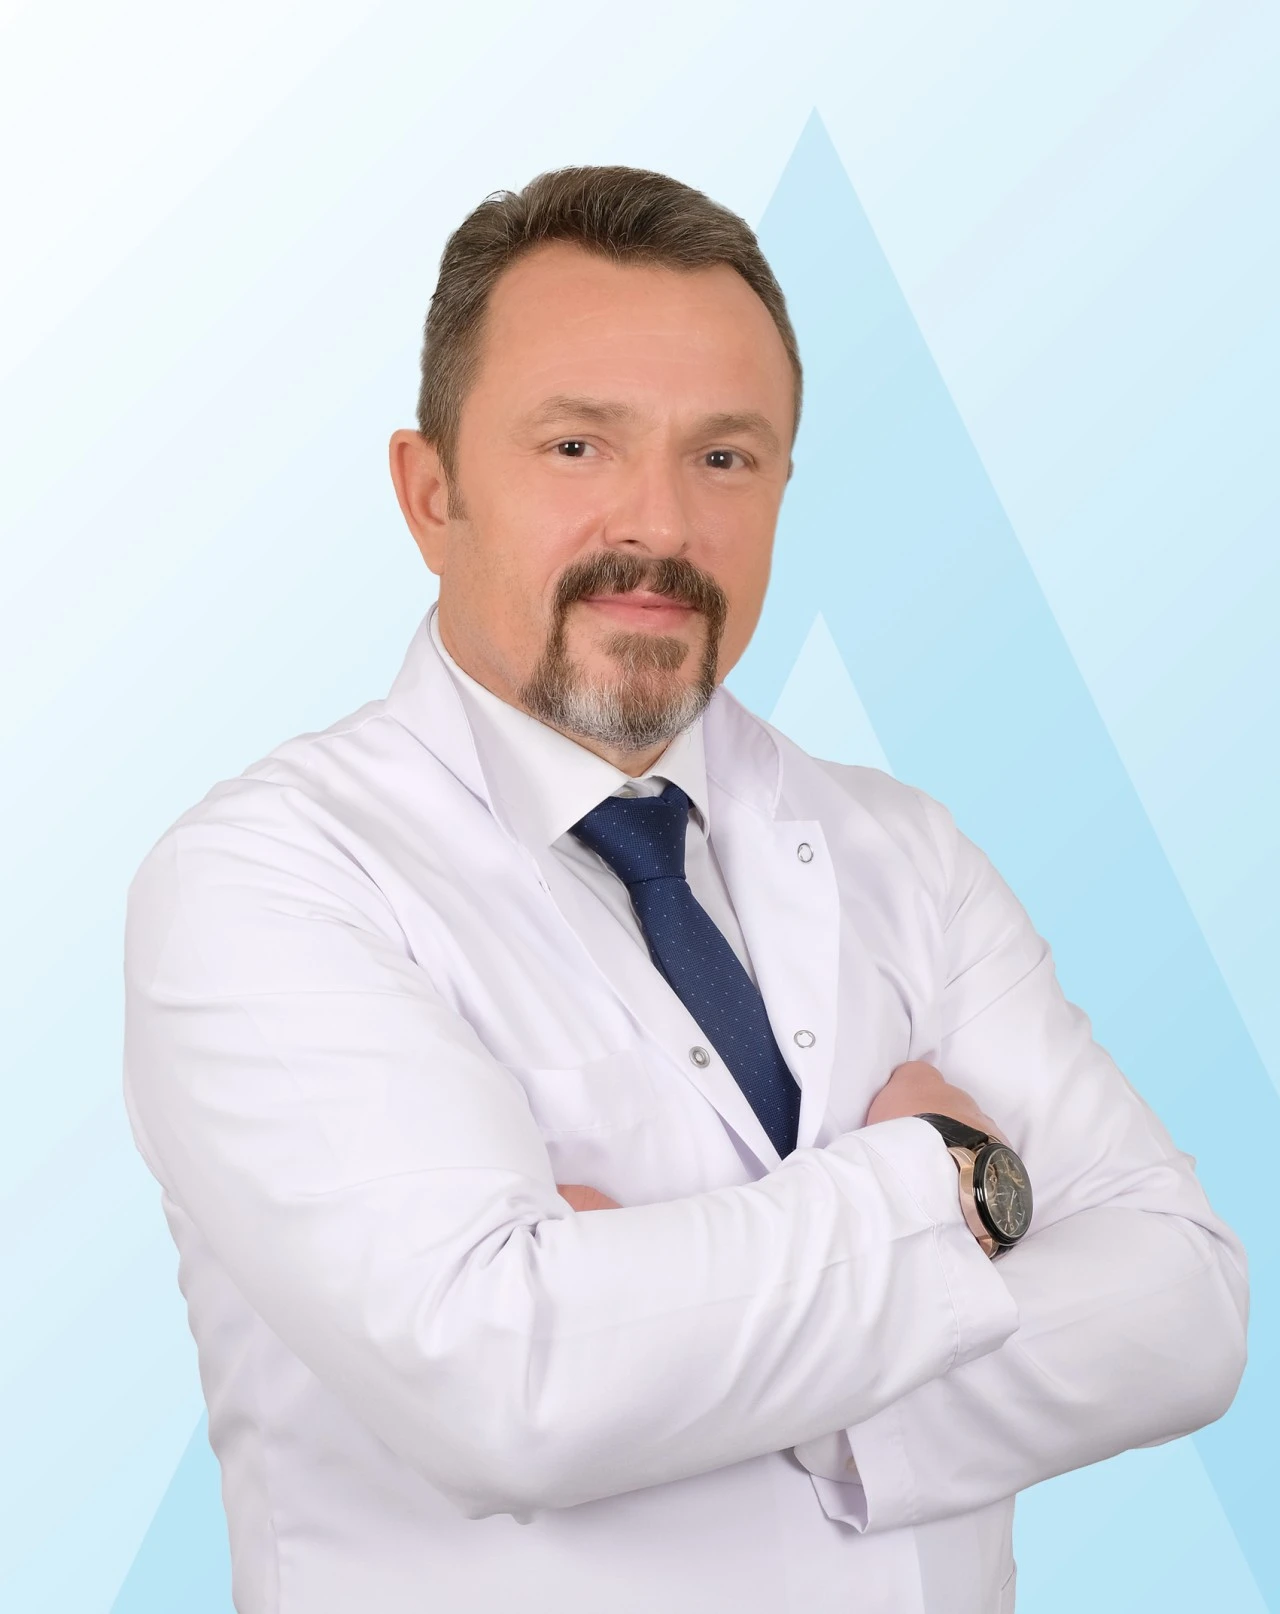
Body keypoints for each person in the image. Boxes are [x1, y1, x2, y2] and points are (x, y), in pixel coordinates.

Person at [122, 164, 1248, 1614]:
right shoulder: (264, 882)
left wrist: (675, 1352)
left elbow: (1185, 1307)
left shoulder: (905, 851)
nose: (657, 523)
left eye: (724, 456)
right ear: (431, 493)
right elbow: (510, 1386)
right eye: (577, 444)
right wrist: (950, 1179)